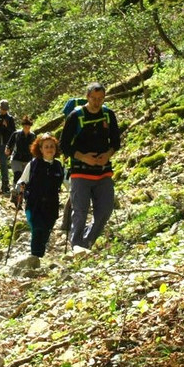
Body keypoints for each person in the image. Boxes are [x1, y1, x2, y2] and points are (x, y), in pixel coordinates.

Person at [59, 82, 121, 251]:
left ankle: (87, 241)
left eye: (100, 99)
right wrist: (83, 157)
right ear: (87, 97)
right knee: (80, 211)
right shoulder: (75, 116)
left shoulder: (108, 115)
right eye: (93, 98)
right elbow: (64, 145)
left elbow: (116, 142)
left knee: (106, 209)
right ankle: (76, 245)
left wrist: (107, 155)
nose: (97, 102)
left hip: (103, 171)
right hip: (80, 172)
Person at [15, 133, 64, 258]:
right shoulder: (33, 164)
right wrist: (20, 187)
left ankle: (39, 257)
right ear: (40, 149)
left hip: (51, 205)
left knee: (46, 231)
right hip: (34, 204)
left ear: (55, 148)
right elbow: (22, 181)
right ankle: (35, 258)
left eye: (52, 146)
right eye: (46, 146)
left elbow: (69, 184)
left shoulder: (59, 166)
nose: (49, 149)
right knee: (37, 229)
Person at [6, 115, 36, 186]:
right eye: (26, 127)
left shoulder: (32, 136)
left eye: (29, 127)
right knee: (17, 175)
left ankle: (23, 193)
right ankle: (15, 192)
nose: (27, 129)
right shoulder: (16, 134)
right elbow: (9, 144)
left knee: (25, 178)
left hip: (28, 159)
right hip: (16, 158)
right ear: (23, 126)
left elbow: (36, 147)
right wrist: (7, 149)